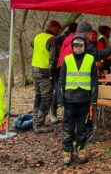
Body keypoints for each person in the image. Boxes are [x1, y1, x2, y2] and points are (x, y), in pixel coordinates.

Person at [58, 35, 98, 166]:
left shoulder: (90, 59)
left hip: (84, 100)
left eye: (81, 46)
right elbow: (61, 81)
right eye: (76, 46)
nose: (78, 48)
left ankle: (81, 149)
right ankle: (67, 151)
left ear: (84, 46)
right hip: (69, 100)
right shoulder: (67, 60)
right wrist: (60, 99)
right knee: (68, 127)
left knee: (82, 128)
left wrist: (93, 99)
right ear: (73, 47)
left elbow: (94, 81)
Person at [31, 20, 62, 133]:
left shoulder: (38, 36)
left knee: (38, 96)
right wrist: (52, 73)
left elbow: (31, 44)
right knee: (46, 98)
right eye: (58, 28)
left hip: (34, 69)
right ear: (53, 28)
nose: (59, 31)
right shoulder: (52, 39)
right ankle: (39, 125)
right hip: (44, 72)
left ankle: (36, 121)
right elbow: (54, 59)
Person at [51, 22, 78, 124]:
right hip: (61, 67)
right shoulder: (63, 39)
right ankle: (54, 112)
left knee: (61, 90)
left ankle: (61, 113)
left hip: (61, 66)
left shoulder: (62, 38)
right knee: (59, 90)